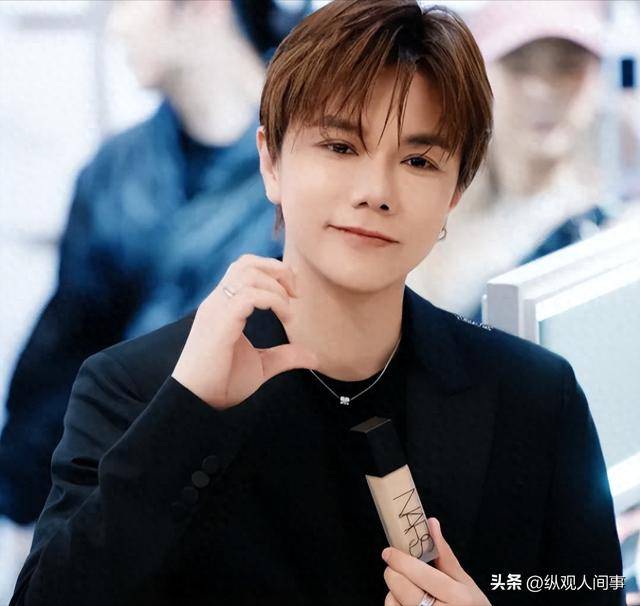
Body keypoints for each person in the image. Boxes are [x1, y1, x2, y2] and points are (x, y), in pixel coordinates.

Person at [10, 2, 623, 605]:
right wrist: (184, 413)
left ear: (454, 192)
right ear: (270, 161)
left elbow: (587, 588)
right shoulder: (132, 389)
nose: (375, 192)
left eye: (418, 160)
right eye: (340, 147)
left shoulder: (535, 396)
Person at [0, 0, 310, 528]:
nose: (117, 24)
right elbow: (62, 360)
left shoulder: (312, 164)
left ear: (204, 7)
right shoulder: (113, 173)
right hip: (121, 509)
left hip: (259, 512)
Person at [406, 0, 633, 322]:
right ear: (480, 77)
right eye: (519, 67)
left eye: (568, 66)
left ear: (597, 78)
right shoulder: (427, 215)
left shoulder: (613, 231)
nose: (543, 89)